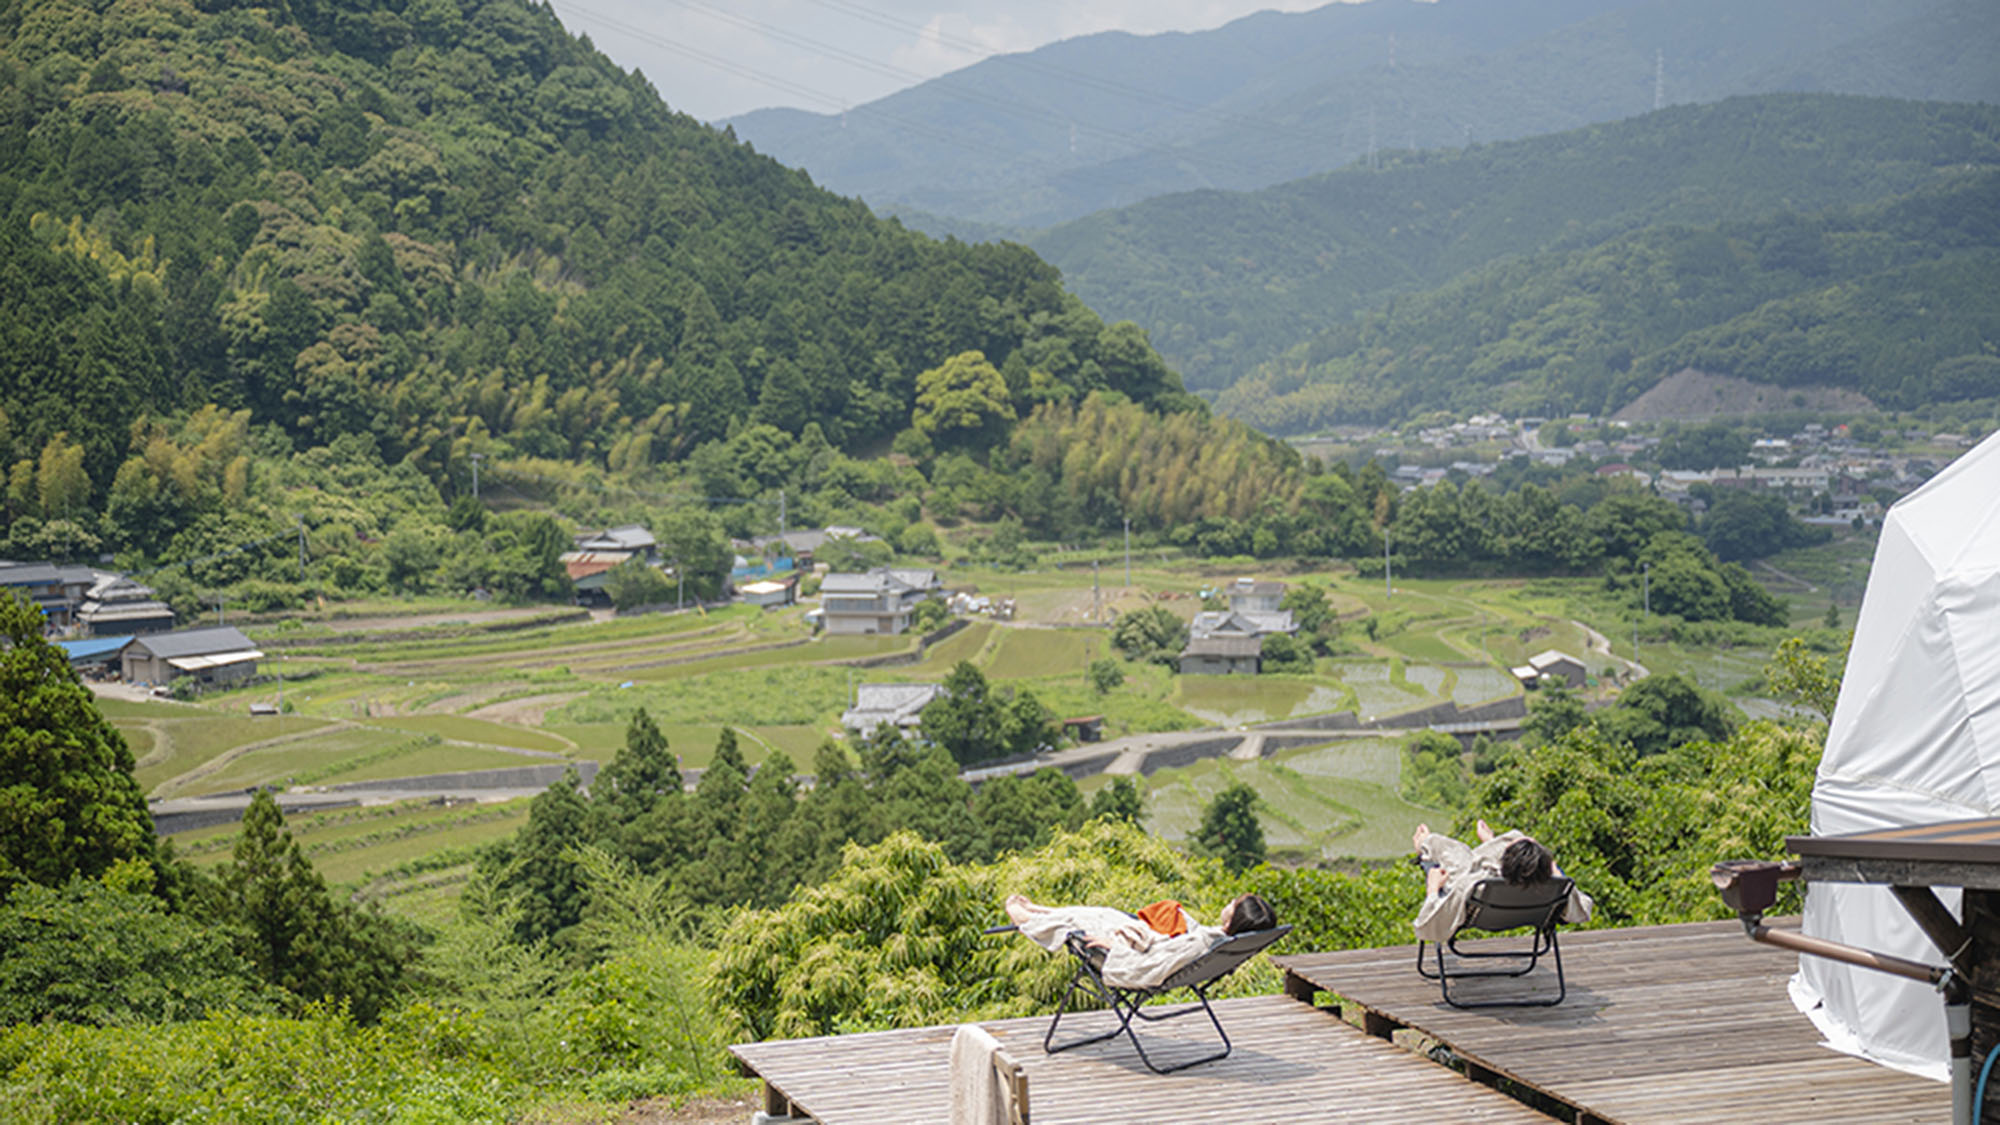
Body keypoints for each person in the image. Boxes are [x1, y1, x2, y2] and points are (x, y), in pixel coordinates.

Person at [1003, 892, 1277, 989]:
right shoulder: (1218, 942)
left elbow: (1156, 963)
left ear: (1230, 922)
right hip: (1153, 946)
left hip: (1125, 954)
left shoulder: (1201, 943)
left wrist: (1117, 947)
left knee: (1078, 924)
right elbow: (1171, 951)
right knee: (1102, 913)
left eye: (1233, 904)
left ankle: (1026, 918)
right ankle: (1040, 910)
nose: (1229, 903)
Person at [1411, 819, 1592, 945]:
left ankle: (1425, 844)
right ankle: (1490, 842)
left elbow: (1427, 925)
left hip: (1472, 884)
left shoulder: (1473, 886)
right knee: (1513, 837)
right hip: (1519, 905)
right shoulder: (1558, 887)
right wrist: (1554, 870)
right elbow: (1583, 907)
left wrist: (1433, 888)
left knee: (1451, 850)